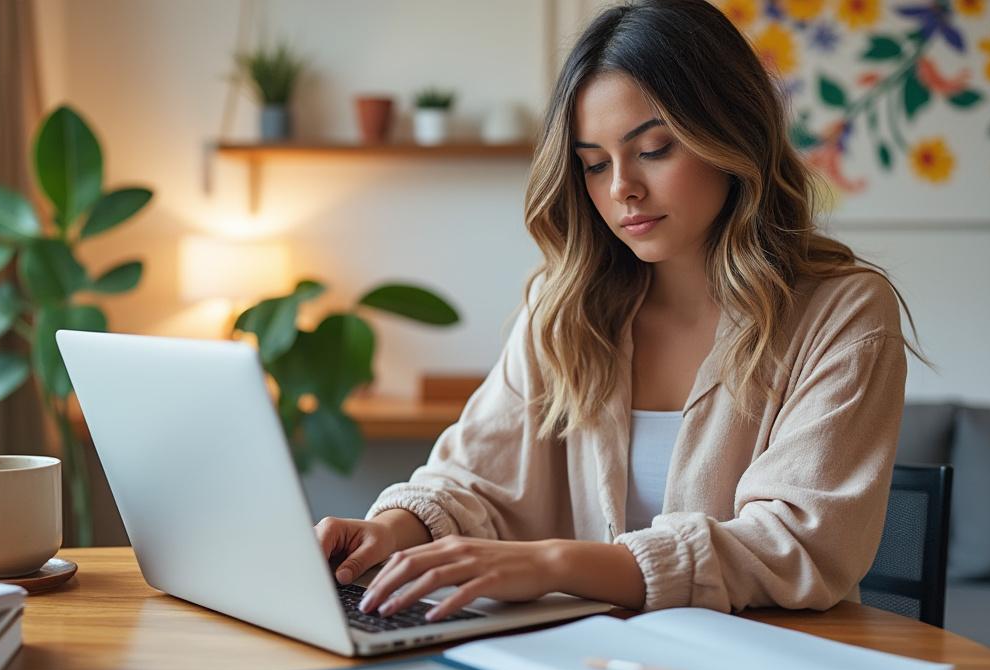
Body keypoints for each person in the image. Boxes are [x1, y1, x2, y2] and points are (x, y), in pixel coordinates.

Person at [314, 0, 925, 621]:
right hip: (591, 666)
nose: (620, 189)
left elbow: (795, 545)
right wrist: (391, 530)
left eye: (655, 150)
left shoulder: (843, 313)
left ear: (731, 137)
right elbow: (471, 479)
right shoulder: (562, 308)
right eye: (594, 164)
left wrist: (555, 564)